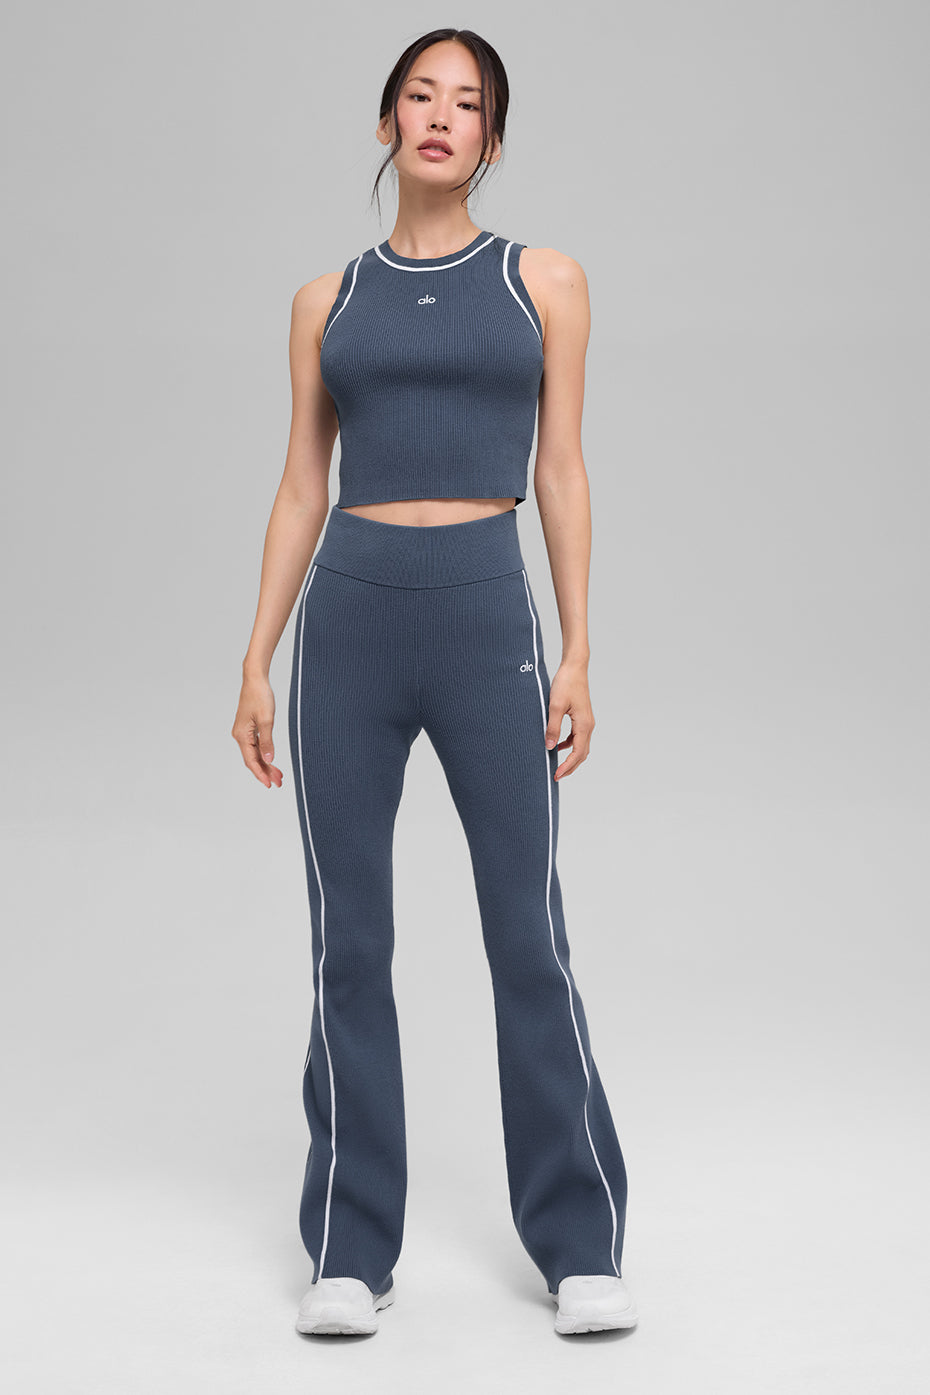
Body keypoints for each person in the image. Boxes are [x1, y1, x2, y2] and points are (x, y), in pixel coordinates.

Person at [232, 27, 639, 1339]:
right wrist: (255, 659)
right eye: (420, 94)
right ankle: (350, 1248)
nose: (441, 116)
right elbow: (302, 485)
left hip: (484, 617)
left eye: (468, 103)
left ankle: (579, 1245)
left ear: (492, 140)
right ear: (386, 122)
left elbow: (562, 471)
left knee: (526, 933)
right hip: (347, 625)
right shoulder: (327, 301)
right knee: (349, 943)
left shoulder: (543, 282)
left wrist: (577, 646)